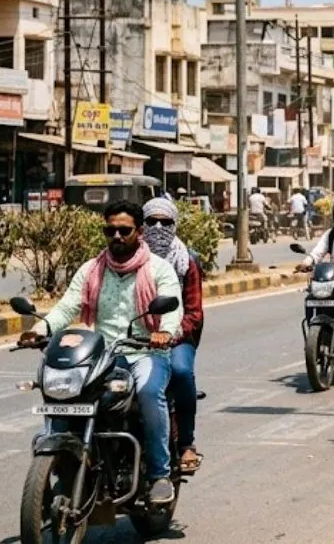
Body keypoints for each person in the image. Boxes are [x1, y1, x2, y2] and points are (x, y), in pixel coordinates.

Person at [18, 200, 183, 504]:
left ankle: (159, 473)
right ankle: (72, 461)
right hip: (101, 353)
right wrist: (39, 331)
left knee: (148, 393)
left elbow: (172, 306)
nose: (117, 236)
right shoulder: (92, 268)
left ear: (139, 232)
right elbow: (67, 306)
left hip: (145, 350)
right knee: (66, 395)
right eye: (111, 230)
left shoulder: (159, 269)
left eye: (124, 230)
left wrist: (164, 332)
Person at [141, 197, 205, 474]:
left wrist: (173, 333)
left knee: (180, 372)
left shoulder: (186, 262)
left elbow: (194, 311)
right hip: (133, 335)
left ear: (175, 225)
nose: (157, 228)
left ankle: (186, 443)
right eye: (151, 222)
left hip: (177, 336)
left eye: (165, 222)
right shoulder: (127, 257)